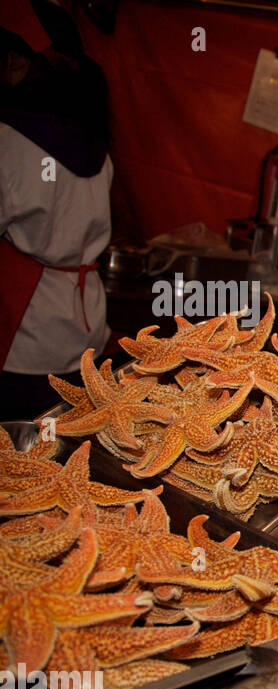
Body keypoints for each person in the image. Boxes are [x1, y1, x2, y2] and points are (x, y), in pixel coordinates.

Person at [0, 0, 112, 420]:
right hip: (83, 326)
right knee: (61, 440)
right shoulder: (95, 136)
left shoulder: (9, 141)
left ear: (14, 63)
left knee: (14, 458)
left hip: (25, 336)